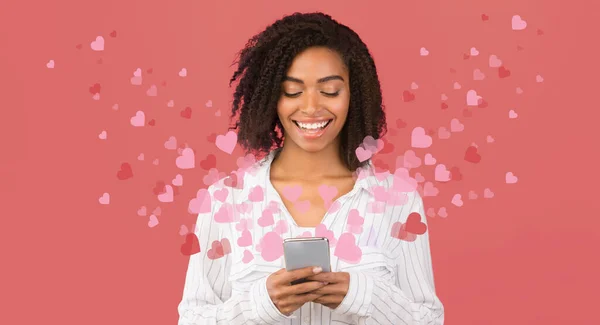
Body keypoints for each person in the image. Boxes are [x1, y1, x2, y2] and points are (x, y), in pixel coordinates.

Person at [177, 11, 444, 325]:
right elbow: (193, 319)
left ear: (354, 96)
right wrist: (259, 306)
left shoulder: (396, 200)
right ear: (271, 97)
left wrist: (362, 295)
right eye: (292, 91)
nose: (311, 107)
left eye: (330, 90)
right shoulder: (225, 200)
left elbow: (428, 319)